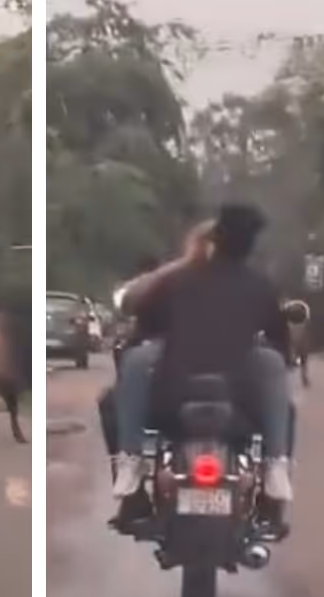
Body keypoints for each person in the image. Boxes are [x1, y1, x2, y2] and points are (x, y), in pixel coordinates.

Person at [110, 205, 294, 507]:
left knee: (133, 364)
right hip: (240, 396)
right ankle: (275, 465)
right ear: (252, 246)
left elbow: (145, 322)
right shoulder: (261, 287)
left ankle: (130, 460)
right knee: (273, 364)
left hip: (172, 394)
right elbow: (279, 341)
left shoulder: (174, 281)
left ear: (214, 240)